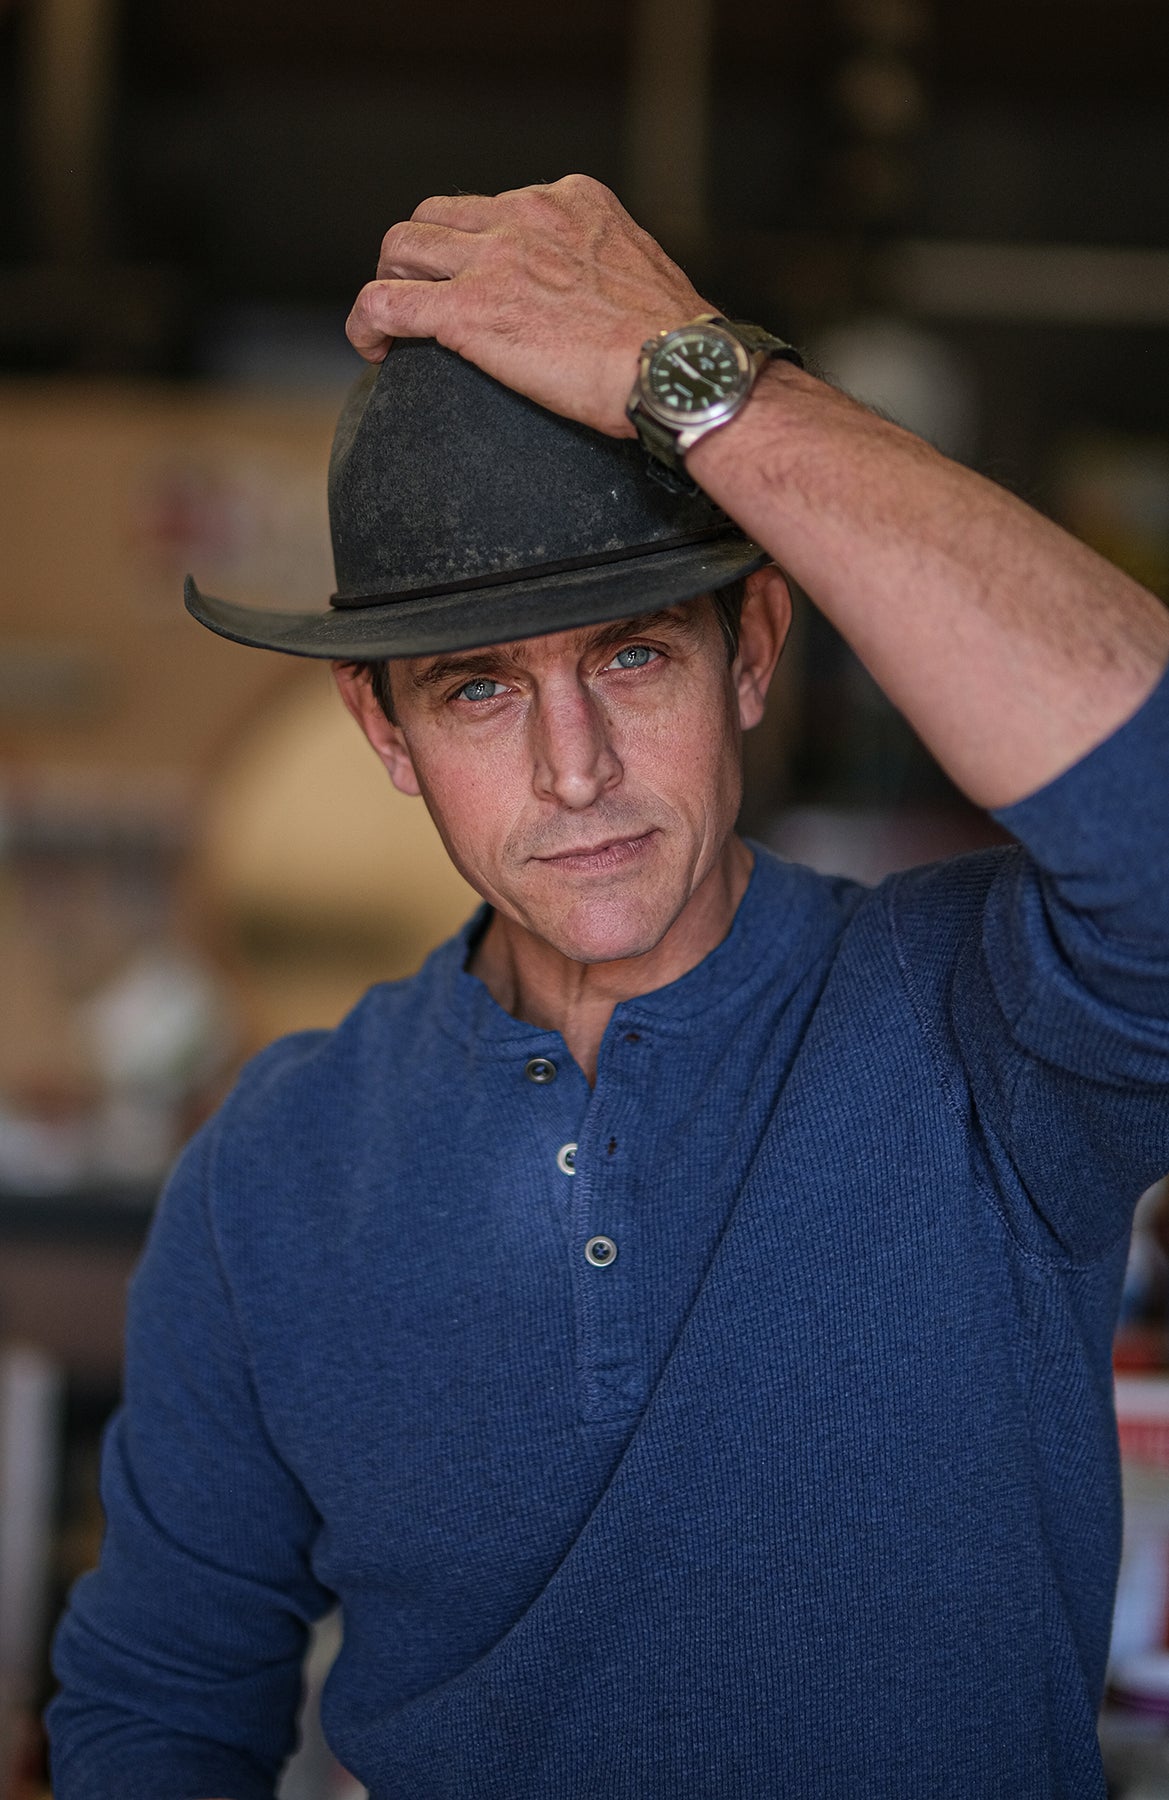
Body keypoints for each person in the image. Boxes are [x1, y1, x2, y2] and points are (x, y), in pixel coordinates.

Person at [48, 176, 1169, 1799]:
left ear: (752, 651)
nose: (571, 771)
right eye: (477, 689)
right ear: (383, 732)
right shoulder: (275, 1169)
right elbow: (158, 1710)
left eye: (633, 653)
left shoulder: (980, 1023)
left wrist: (702, 376)